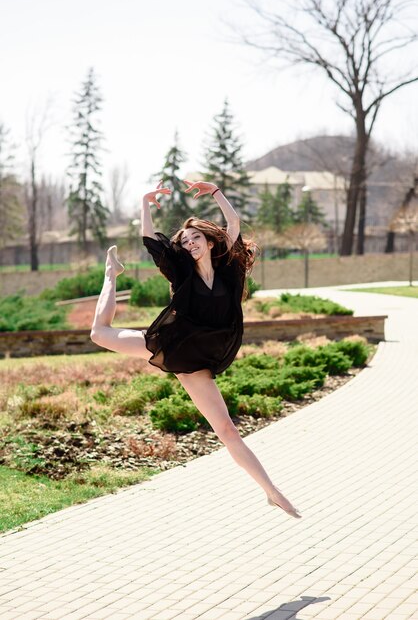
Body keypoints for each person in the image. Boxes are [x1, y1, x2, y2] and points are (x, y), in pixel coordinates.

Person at [90, 180, 301, 518]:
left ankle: (271, 491)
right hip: (176, 347)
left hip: (205, 355)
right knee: (98, 333)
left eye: (195, 238)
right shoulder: (182, 272)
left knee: (227, 429)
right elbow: (149, 238)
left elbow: (233, 224)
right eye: (185, 241)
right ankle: (111, 275)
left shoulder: (229, 268)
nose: (190, 244)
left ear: (208, 239)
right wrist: (145, 202)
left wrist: (216, 191)